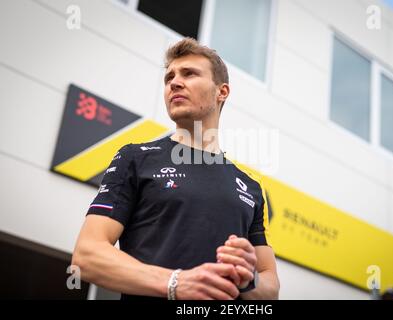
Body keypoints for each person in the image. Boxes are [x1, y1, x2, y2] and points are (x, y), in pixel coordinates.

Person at [71, 37, 280, 300]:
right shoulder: (136, 158)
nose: (174, 82)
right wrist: (175, 283)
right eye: (169, 77)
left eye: (189, 74)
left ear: (222, 91)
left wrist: (249, 278)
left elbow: (271, 288)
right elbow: (87, 255)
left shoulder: (250, 187)